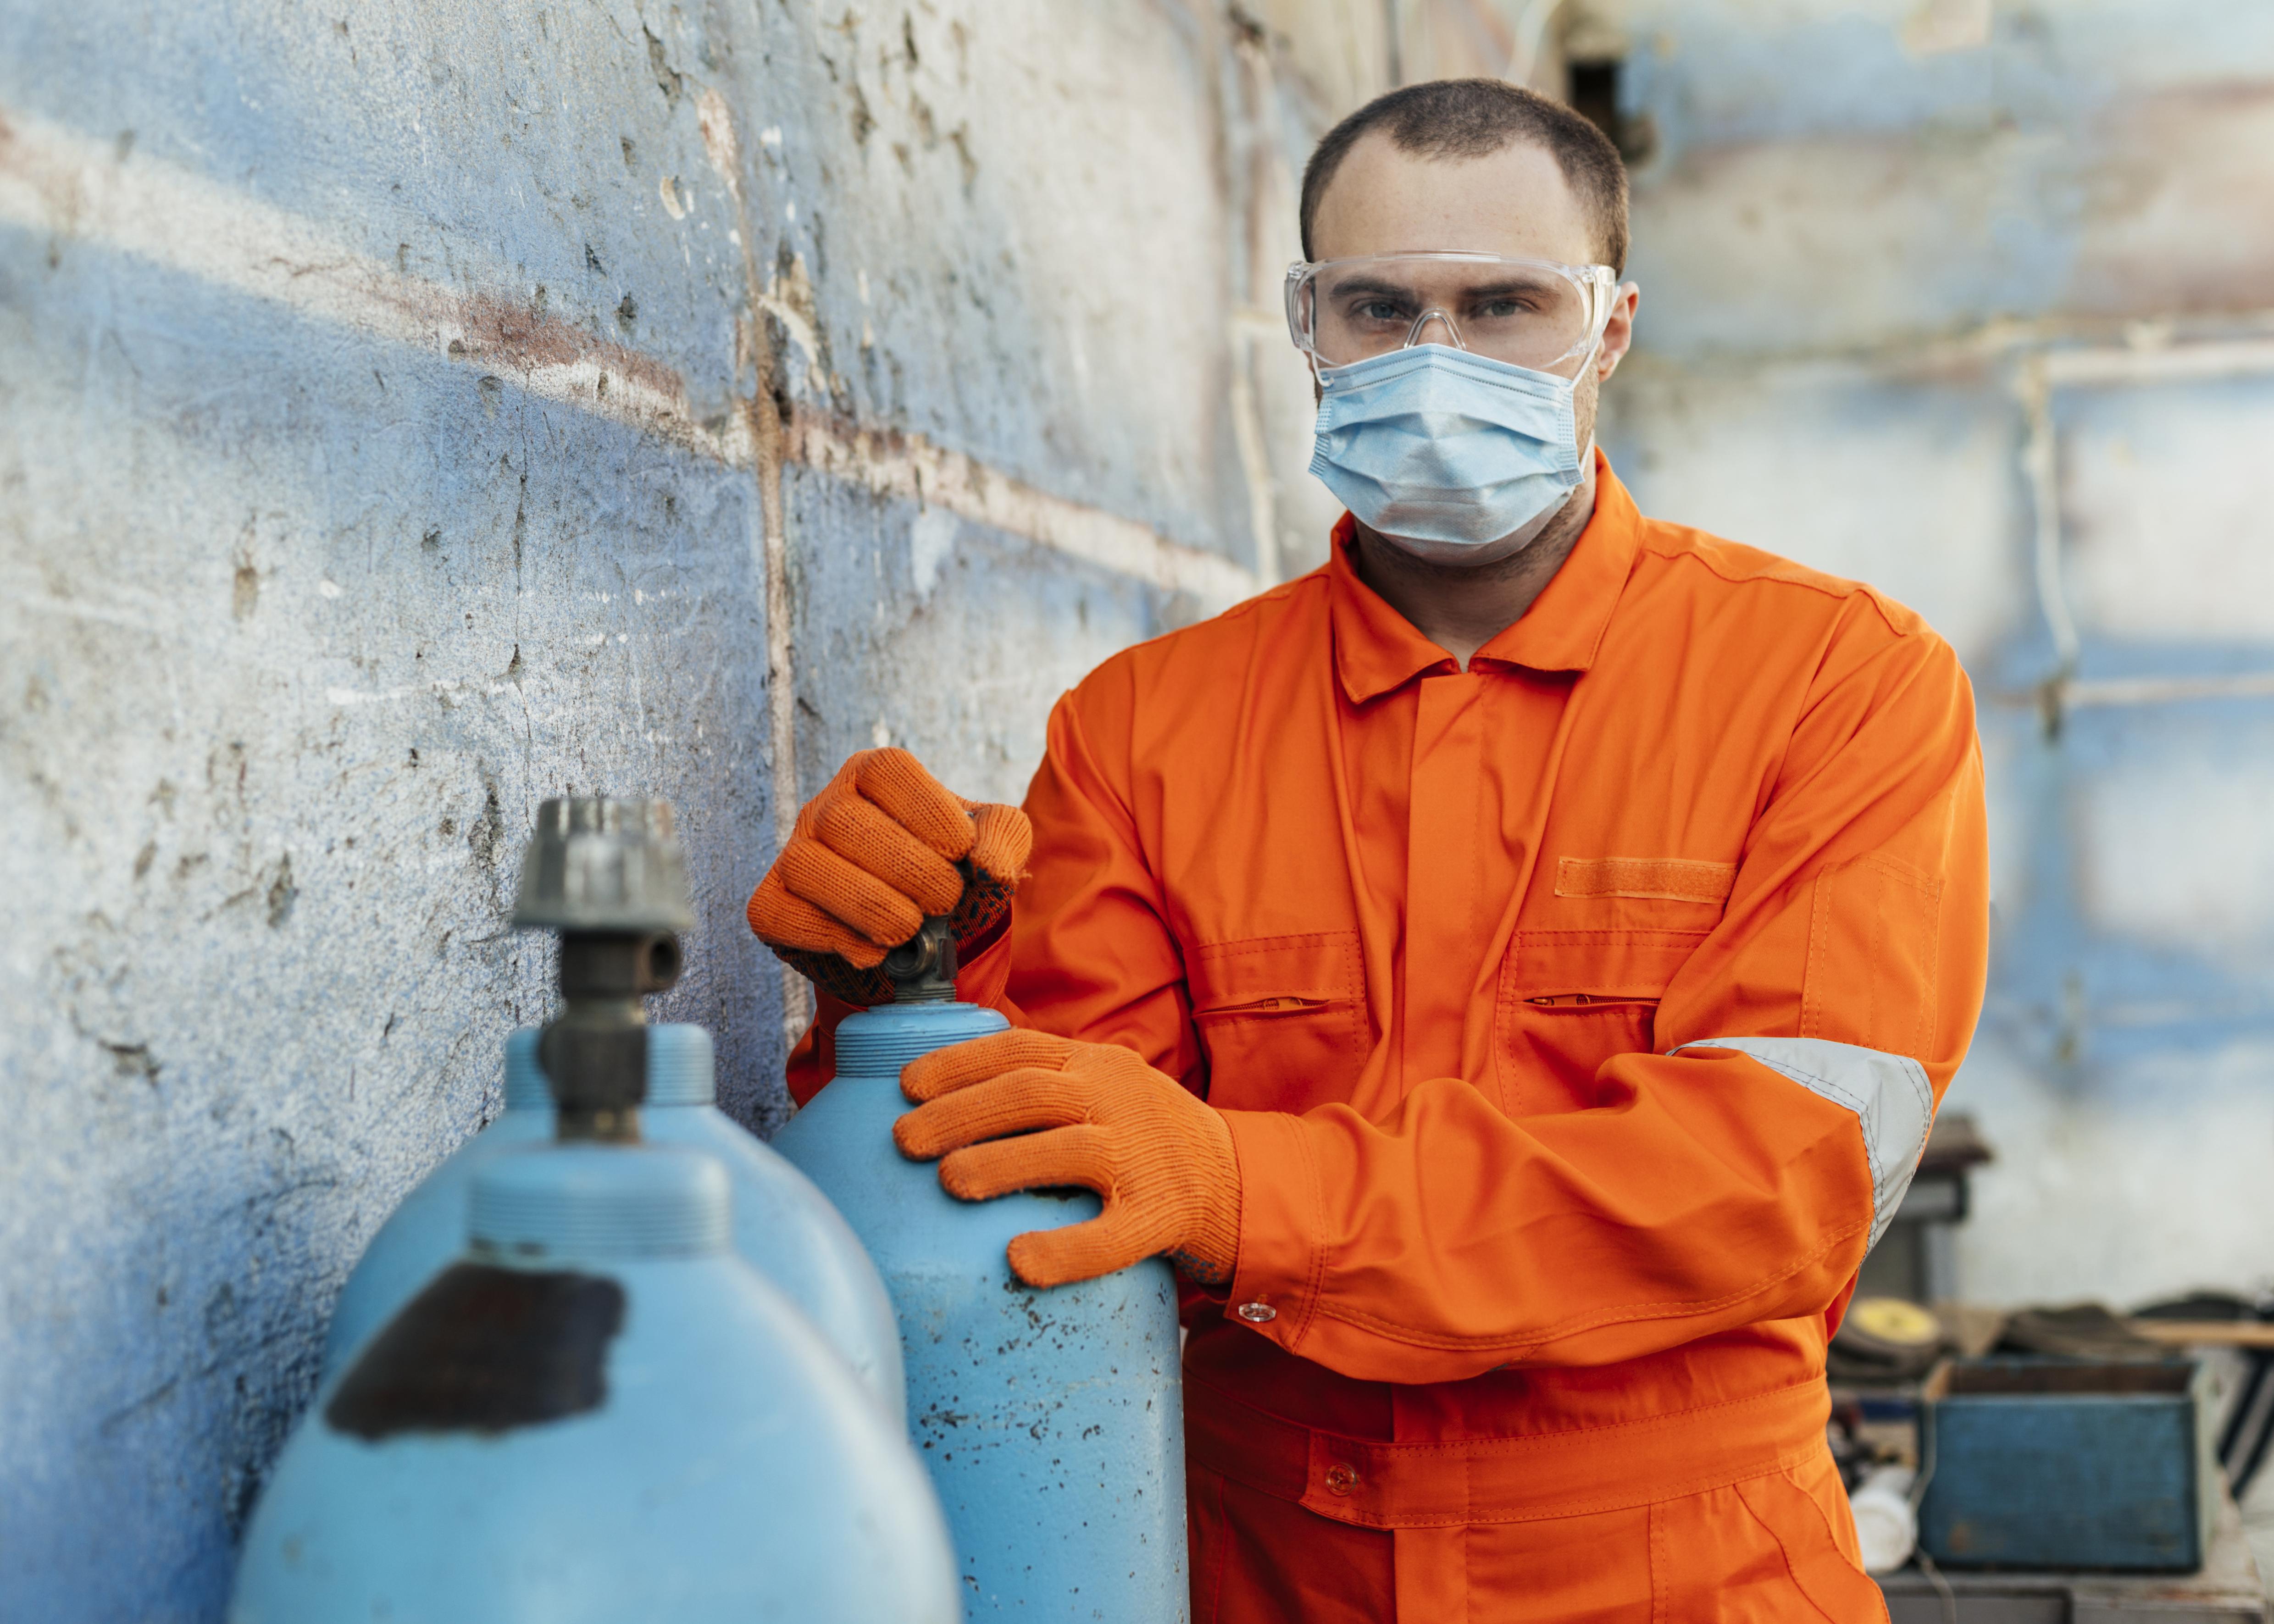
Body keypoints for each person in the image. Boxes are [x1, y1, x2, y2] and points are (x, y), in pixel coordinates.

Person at [748, 77, 1984, 1623]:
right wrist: (900, 992)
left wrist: (1247, 1192)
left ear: (1609, 327)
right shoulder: (1146, 726)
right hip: (1261, 1564)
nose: (1437, 358)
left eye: (1507, 304)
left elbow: (1769, 1181)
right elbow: (1039, 1181)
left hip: (1686, 1567)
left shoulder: (1837, 683)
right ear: (1305, 325)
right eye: (1380, 306)